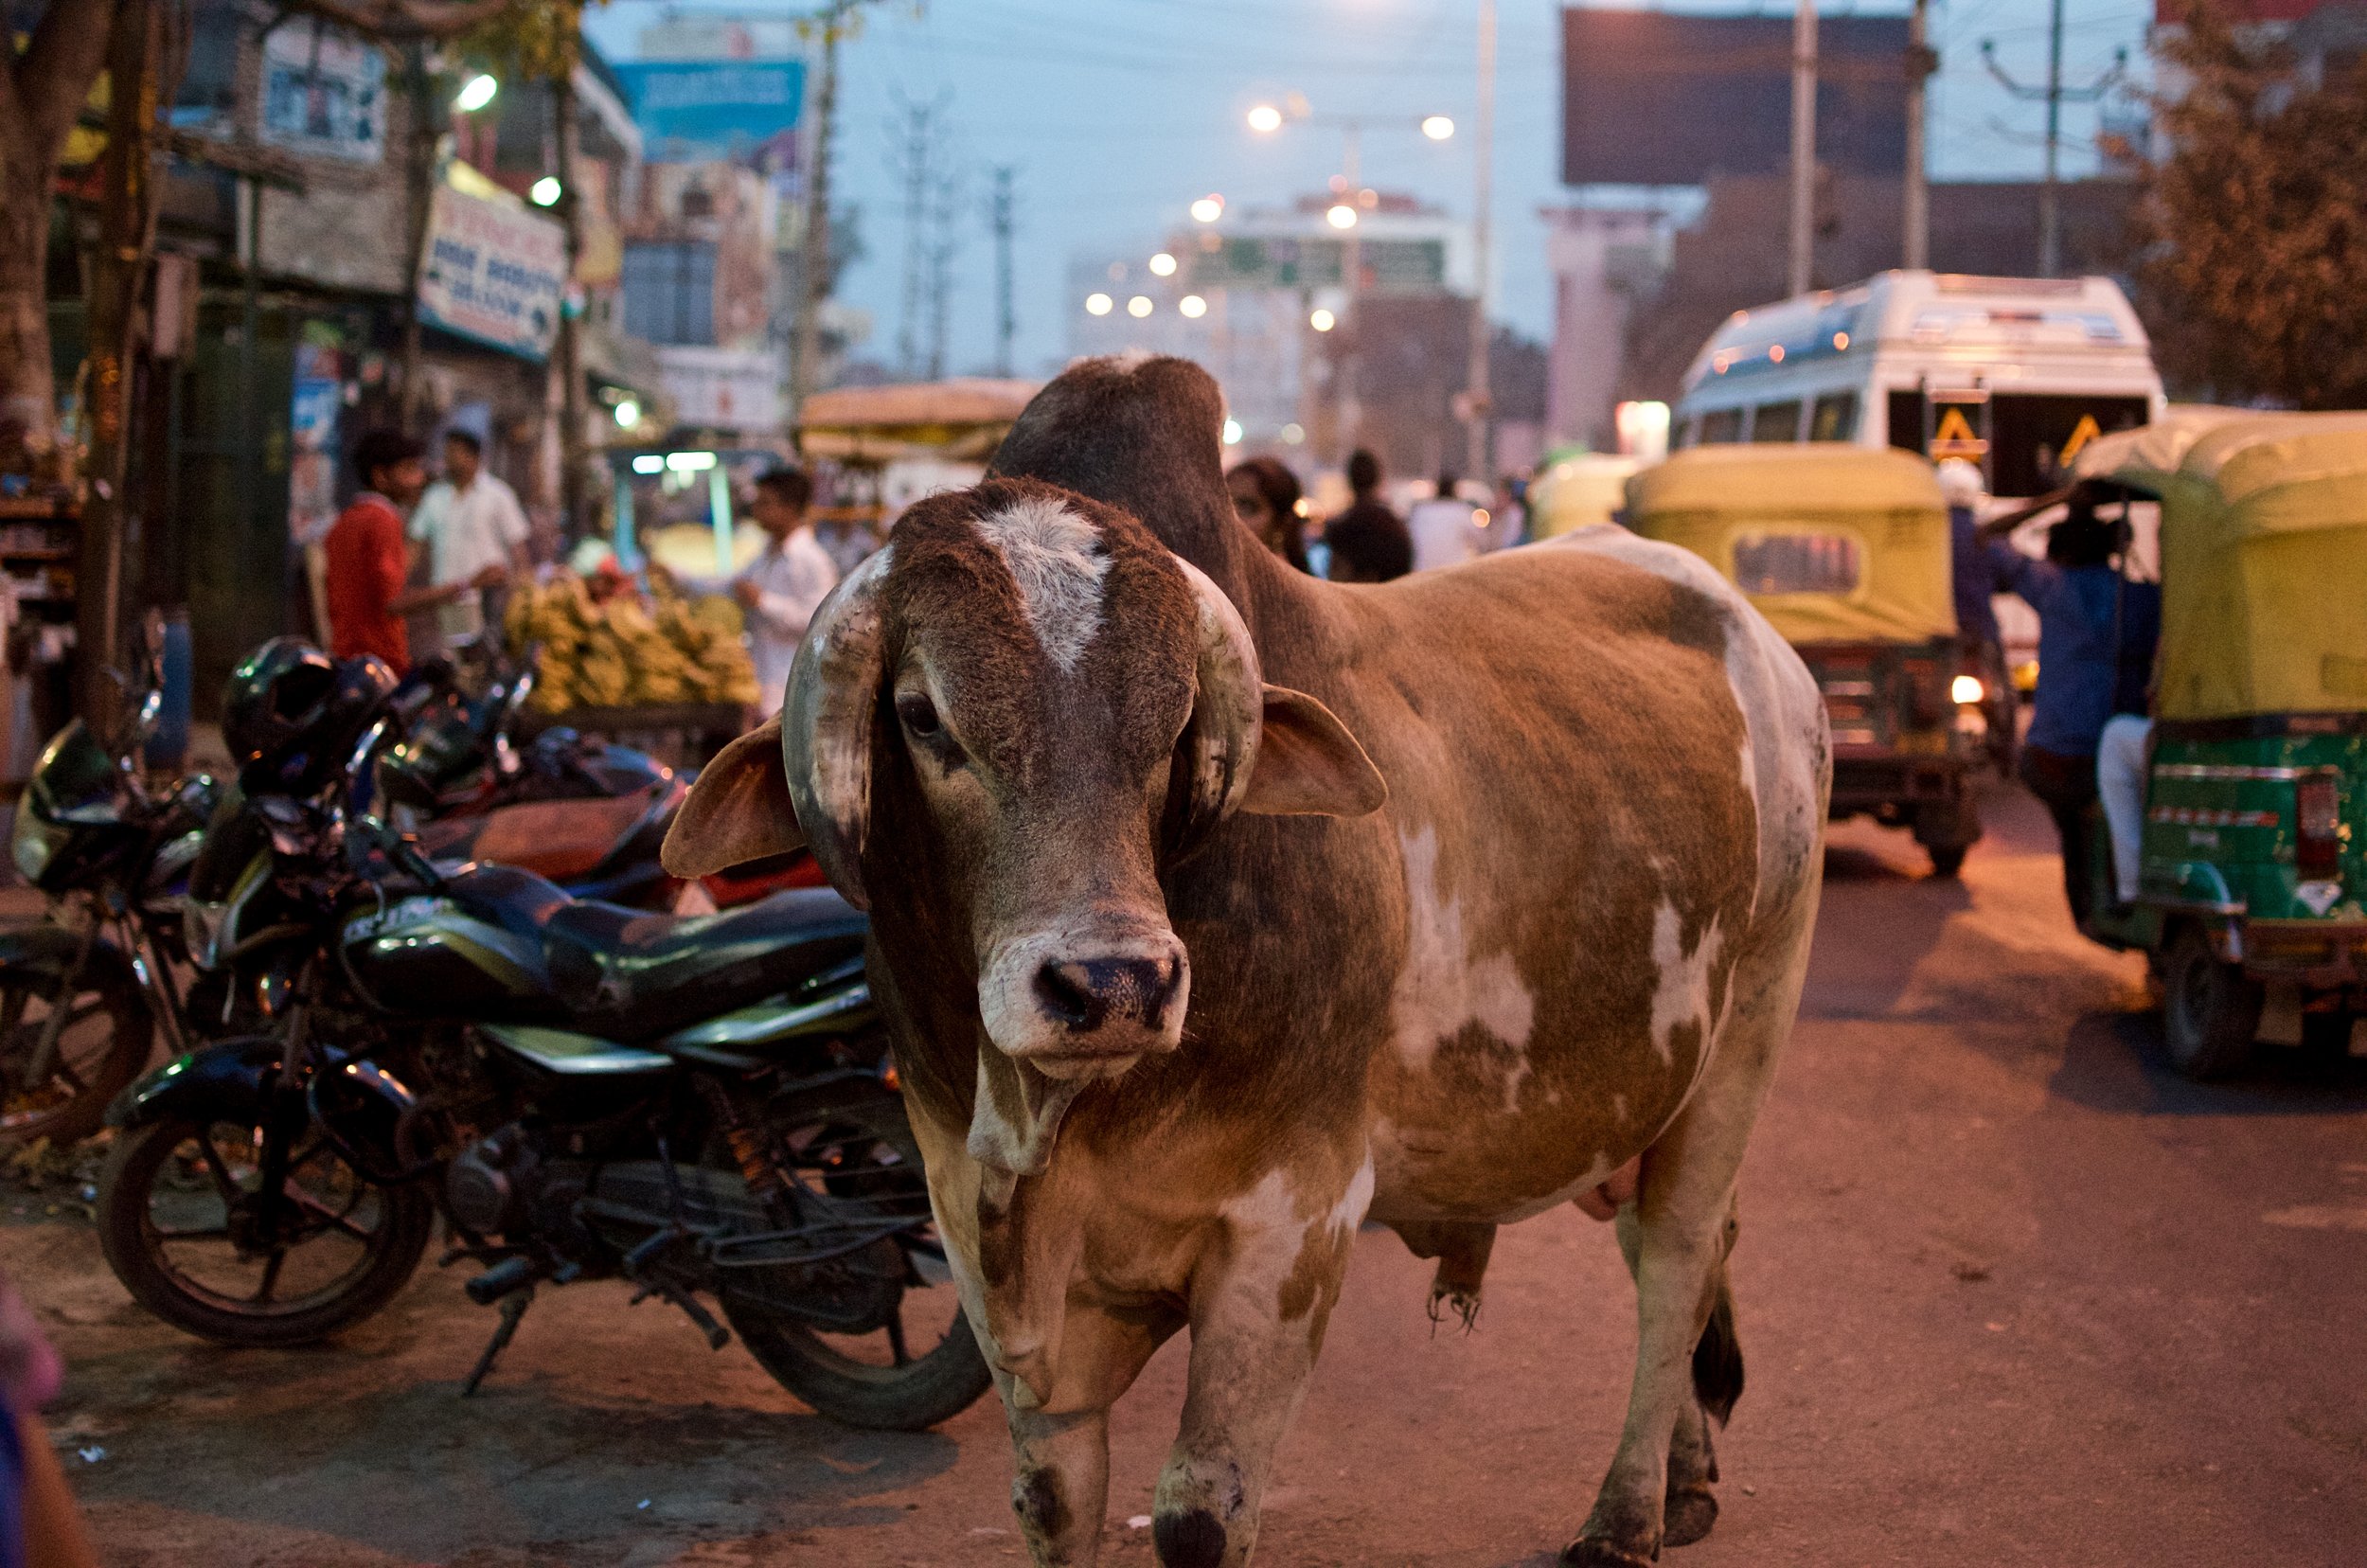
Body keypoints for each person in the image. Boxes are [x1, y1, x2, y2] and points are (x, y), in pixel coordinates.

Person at [1980, 485, 2161, 926]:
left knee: (2072, 828)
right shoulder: (2141, 599)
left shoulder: (2051, 587)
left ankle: (2097, 900)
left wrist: (2051, 499)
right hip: (2113, 750)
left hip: (2057, 758)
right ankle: (2115, 893)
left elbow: (1986, 536)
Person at [325, 430, 497, 673]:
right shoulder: (383, 520)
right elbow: (394, 602)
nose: (418, 480)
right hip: (380, 661)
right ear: (380, 477)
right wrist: (468, 584)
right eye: (408, 471)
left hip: (348, 657)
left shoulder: (346, 521)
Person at [727, 467, 838, 716]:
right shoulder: (766, 555)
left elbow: (821, 623)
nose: (756, 510)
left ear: (790, 508)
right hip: (762, 685)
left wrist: (763, 602)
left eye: (765, 503)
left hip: (793, 687)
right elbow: (731, 584)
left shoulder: (812, 560)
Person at [407, 429, 529, 651]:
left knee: (489, 656)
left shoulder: (498, 495)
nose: (447, 458)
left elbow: (518, 548)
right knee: (453, 661)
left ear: (473, 457)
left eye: (454, 452)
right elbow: (414, 545)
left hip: (488, 597)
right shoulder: (435, 497)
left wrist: (522, 594)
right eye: (447, 452)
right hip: (445, 598)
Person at [1323, 448, 1413, 583]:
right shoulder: (1395, 527)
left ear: (1350, 481)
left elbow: (1333, 575)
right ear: (1377, 479)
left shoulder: (1339, 528)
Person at [1225, 456, 1310, 572]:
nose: (1232, 515)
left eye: (1247, 507)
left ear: (1281, 523)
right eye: (1225, 503)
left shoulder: (1287, 586)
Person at [1405, 471, 1482, 572]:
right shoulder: (1462, 510)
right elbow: (1481, 540)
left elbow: (1409, 539)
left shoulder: (1421, 511)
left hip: (1422, 572)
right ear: (1455, 490)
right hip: (1454, 571)